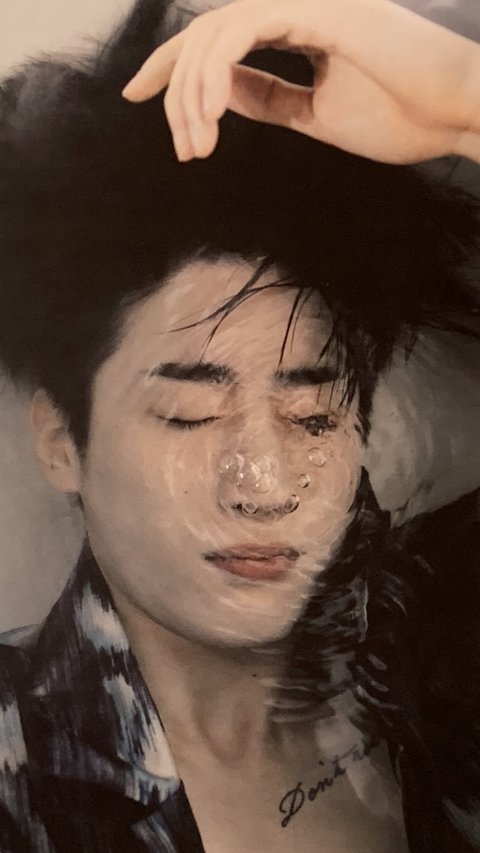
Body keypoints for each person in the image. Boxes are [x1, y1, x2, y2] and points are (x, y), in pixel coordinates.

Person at [0, 0, 479, 851]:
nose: (265, 484)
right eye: (191, 414)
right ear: (60, 439)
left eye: (312, 414)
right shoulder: (17, 763)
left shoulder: (442, 636)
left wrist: (463, 98)